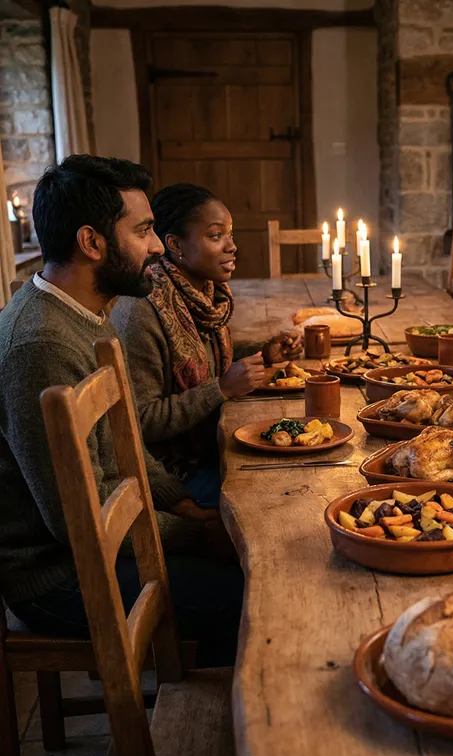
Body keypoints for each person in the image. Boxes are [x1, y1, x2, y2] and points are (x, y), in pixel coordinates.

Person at [0, 156, 242, 666]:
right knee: (247, 591)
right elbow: (78, 517)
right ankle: (209, 731)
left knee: (243, 529)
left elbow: (125, 444)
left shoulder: (89, 311)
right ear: (92, 242)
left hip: (98, 544)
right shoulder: (40, 343)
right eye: (144, 231)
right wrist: (197, 535)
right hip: (59, 576)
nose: (157, 247)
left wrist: (186, 508)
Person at [111, 184, 301, 508]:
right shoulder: (143, 311)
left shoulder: (202, 296)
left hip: (208, 448)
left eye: (230, 234)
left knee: (294, 473)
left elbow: (206, 358)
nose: (232, 247)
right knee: (282, 495)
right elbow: (141, 421)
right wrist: (221, 390)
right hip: (174, 476)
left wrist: (262, 352)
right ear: (175, 244)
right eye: (216, 236)